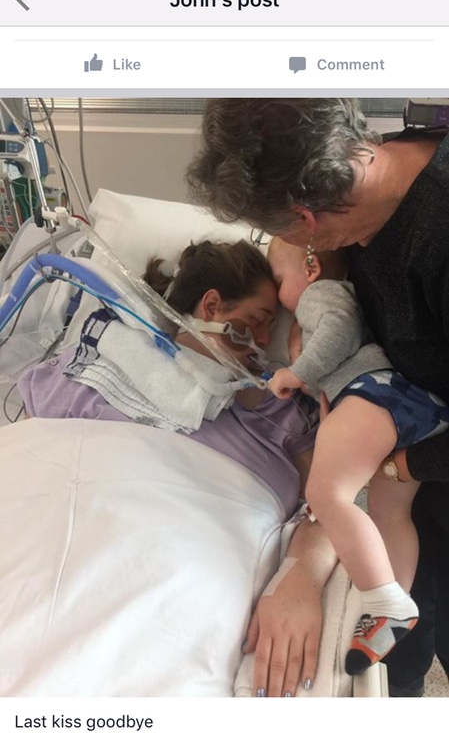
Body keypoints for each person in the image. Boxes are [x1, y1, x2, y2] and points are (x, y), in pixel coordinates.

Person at [186, 97, 449, 696]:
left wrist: (400, 464)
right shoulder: (363, 183)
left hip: (421, 446)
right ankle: (391, 617)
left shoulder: (435, 234)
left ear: (305, 220)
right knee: (398, 646)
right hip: (400, 438)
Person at [17, 238, 338, 698]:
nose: (265, 340)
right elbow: (31, 459)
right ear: (211, 306)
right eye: (257, 320)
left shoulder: (272, 401)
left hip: (176, 558)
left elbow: (331, 500)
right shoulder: (98, 357)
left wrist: (300, 575)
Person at [267, 236, 449, 674]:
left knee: (327, 495)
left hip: (373, 394)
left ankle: (383, 599)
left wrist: (295, 371)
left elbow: (340, 330)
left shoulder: (319, 295)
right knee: (390, 512)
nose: (276, 294)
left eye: (278, 278)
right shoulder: (338, 297)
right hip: (404, 405)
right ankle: (392, 607)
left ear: (310, 268)